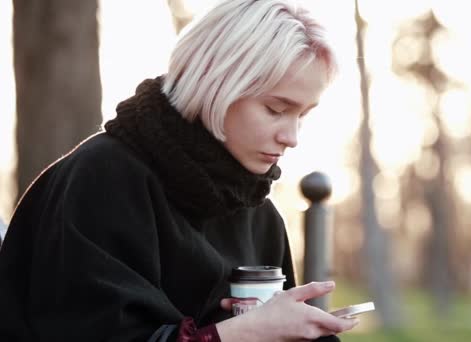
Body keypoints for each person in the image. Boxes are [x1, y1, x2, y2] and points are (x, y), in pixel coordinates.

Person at [0, 0, 358, 341]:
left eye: (303, 115)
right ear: (214, 82)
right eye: (276, 109)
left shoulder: (258, 214)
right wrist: (243, 333)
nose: (291, 137)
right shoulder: (101, 179)